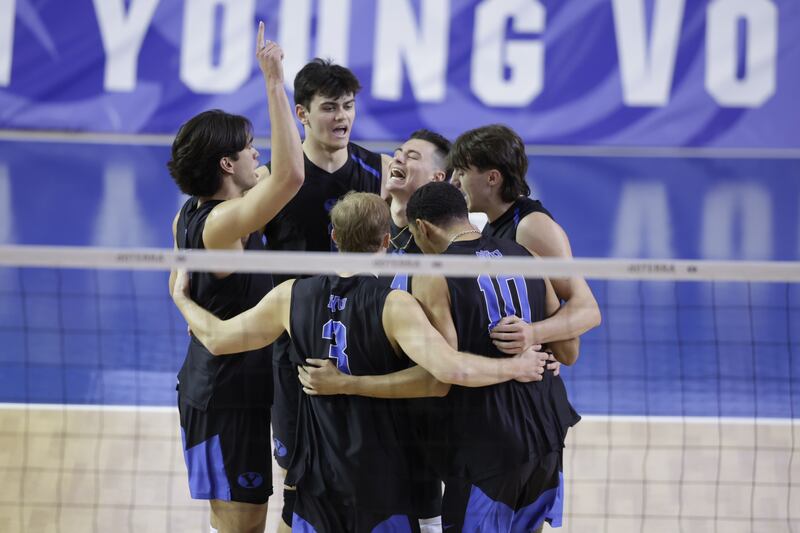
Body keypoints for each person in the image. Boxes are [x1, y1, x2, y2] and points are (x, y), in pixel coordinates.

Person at [171, 192, 550, 532]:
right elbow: (448, 373)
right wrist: (516, 367)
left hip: (316, 477)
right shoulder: (397, 304)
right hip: (382, 478)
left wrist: (183, 300)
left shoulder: (290, 295)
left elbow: (218, 340)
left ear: (333, 237)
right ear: (387, 241)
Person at [299, 183, 580, 531]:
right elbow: (569, 351)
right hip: (547, 430)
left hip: (487, 444)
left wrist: (346, 383)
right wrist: (535, 344)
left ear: (425, 228)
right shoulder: (526, 256)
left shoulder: (435, 275)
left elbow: (440, 377)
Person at [166, 23, 303, 533]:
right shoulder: (221, 224)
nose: (258, 156)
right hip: (223, 394)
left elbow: (276, 173)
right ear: (227, 164)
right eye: (249, 149)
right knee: (241, 526)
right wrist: (273, 82)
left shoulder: (198, 212)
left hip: (249, 381)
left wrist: (184, 301)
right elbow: (289, 176)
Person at [258, 57, 393, 531]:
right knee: (295, 478)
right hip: (294, 345)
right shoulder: (275, 179)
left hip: (365, 345)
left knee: (369, 474)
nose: (341, 117)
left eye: (349, 106)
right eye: (329, 107)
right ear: (301, 114)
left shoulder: (380, 171)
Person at [449, 124, 601, 349]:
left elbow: (588, 309)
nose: (454, 181)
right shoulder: (490, 225)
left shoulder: (531, 226)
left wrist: (533, 334)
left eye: (462, 172)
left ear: (492, 178)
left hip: (537, 376)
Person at [385, 129, 451, 255]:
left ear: (437, 178)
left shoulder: (446, 240)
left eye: (412, 156)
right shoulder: (367, 221)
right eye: (397, 154)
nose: (397, 159)